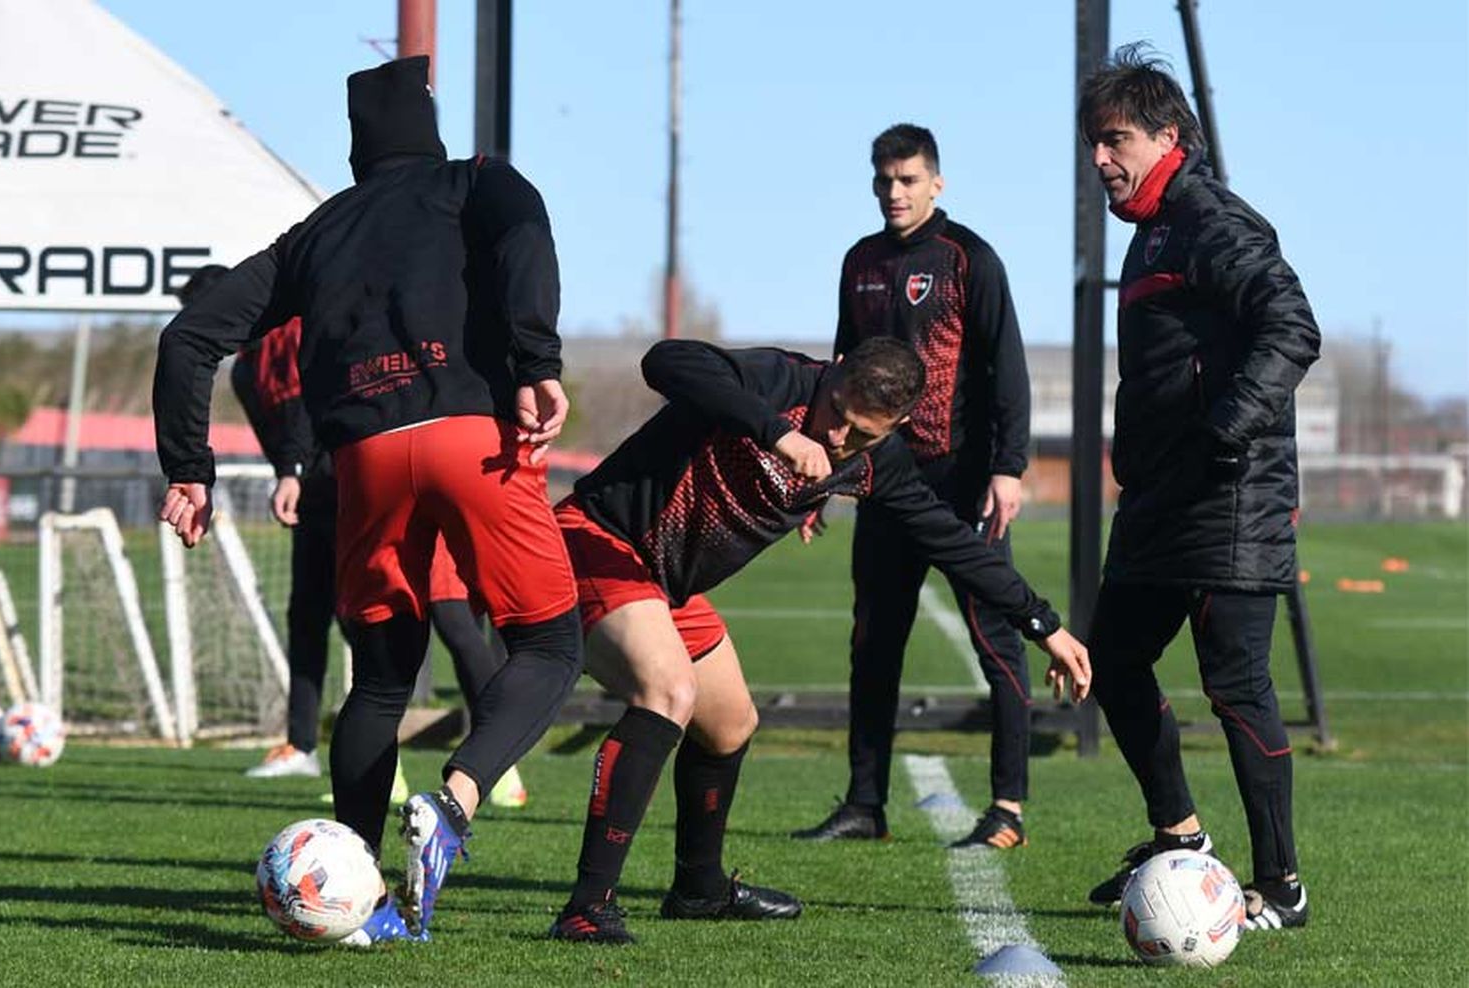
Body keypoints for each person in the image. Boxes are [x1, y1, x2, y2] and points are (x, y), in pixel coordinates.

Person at [153, 56, 582, 945]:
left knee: (381, 681)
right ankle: (455, 803)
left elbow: (190, 337)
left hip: (363, 463)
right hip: (475, 439)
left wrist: (188, 469)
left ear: (358, 147)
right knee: (549, 640)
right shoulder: (478, 183)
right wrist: (537, 361)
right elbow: (526, 237)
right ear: (430, 128)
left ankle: (366, 898)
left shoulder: (316, 232)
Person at [546, 337, 1091, 943]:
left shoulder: (876, 461)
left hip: (664, 585)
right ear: (833, 376)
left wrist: (1043, 623)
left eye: (863, 434)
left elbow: (952, 542)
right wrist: (779, 433)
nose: (839, 441)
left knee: (729, 724)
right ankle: (586, 906)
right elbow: (666, 362)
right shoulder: (781, 381)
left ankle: (698, 891)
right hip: (597, 540)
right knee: (667, 692)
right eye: (838, 417)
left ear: (898, 426)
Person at [1075, 44, 1320, 932]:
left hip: (1231, 500)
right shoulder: (1152, 229)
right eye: (1092, 144)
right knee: (1114, 660)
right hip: (1159, 505)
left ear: (1168, 136)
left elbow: (1292, 326)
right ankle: (1182, 835)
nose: (1100, 159)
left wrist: (1227, 430)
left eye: (1115, 140)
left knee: (1237, 687)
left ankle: (1282, 887)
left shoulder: (1213, 218)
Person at [184, 265, 530, 807]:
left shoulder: (291, 334)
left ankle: (497, 758)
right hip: (320, 502)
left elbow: (316, 407)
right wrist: (291, 474)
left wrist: (293, 472)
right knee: (333, 621)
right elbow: (283, 438)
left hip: (375, 483)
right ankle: (338, 758)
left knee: (449, 614)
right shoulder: (245, 373)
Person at [793, 124, 1037, 850]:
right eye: (883, 181)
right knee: (873, 644)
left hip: (961, 481)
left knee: (997, 638)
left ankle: (1008, 809)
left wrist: (1009, 466)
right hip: (881, 481)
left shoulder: (970, 258)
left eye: (907, 180)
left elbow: (1008, 367)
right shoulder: (859, 262)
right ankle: (865, 804)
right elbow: (838, 373)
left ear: (936, 182)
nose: (894, 193)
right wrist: (825, 475)